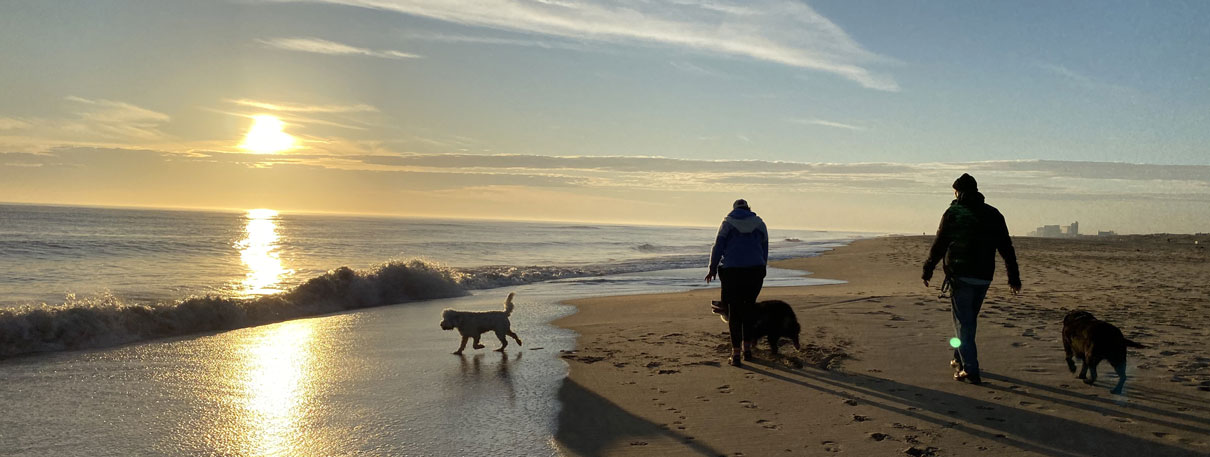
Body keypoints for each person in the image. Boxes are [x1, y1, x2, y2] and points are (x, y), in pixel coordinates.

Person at [923, 173, 1022, 385]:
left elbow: (939, 244)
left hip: (961, 275)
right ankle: (958, 357)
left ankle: (970, 369)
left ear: (958, 192)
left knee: (963, 323)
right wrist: (1014, 277)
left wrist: (928, 269)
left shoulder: (953, 213)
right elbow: (1006, 248)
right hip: (984, 277)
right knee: (968, 321)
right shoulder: (994, 214)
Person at [705, 199, 769, 367]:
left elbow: (718, 246)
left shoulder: (727, 223)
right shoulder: (760, 223)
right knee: (748, 309)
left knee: (734, 312)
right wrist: (762, 267)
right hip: (755, 271)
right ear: (749, 208)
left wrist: (712, 268)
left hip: (733, 272)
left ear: (734, 209)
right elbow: (764, 248)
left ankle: (736, 354)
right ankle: (747, 350)